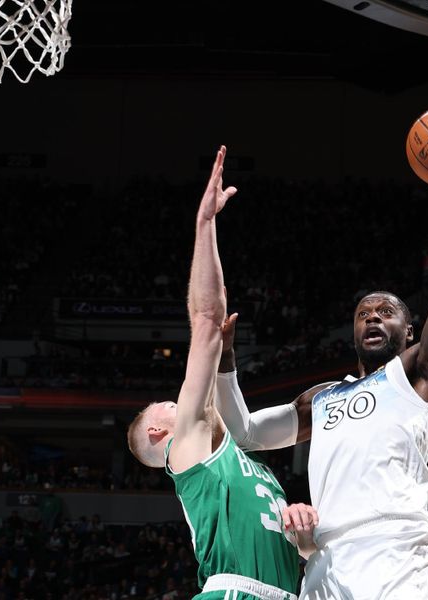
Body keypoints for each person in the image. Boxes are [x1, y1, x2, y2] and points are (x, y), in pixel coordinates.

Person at [215, 133, 428, 599]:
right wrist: (225, 362)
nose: (372, 317)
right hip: (326, 558)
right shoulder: (322, 398)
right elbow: (244, 432)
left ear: (410, 332)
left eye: (385, 312)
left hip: (395, 546)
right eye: (364, 313)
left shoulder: (421, 373)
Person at [126, 147, 315, 600]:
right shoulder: (186, 445)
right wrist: (206, 225)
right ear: (158, 431)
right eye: (170, 405)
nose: (180, 400)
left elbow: (291, 552)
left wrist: (306, 542)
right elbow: (207, 320)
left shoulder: (244, 464)